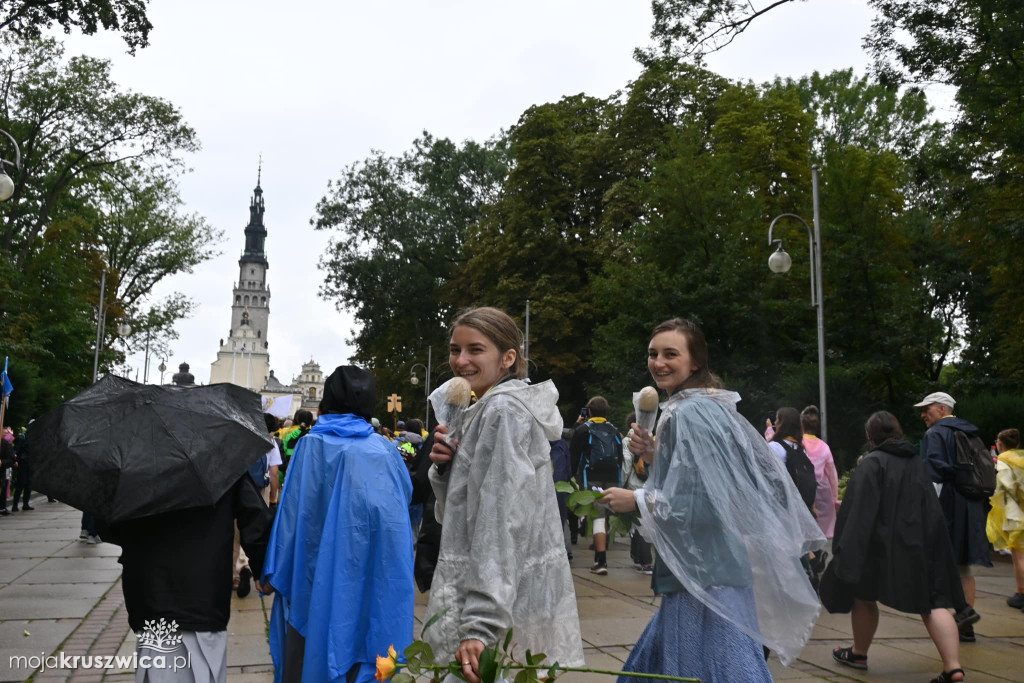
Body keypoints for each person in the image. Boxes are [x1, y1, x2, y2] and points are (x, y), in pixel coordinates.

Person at [598, 317, 824, 680]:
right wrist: (657, 455)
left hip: (705, 572)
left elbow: (703, 502)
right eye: (653, 353)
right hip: (712, 566)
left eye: (671, 354)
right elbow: (708, 477)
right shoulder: (706, 406)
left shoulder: (686, 412)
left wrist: (638, 499)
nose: (658, 362)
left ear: (696, 361)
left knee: (722, 670)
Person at [427, 307, 583, 683]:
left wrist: (481, 625)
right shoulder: (482, 409)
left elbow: (502, 520)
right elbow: (459, 514)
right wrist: (445, 468)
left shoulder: (502, 411)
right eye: (454, 349)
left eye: (475, 349)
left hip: (496, 609)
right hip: (500, 598)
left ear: (508, 358)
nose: (460, 361)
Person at [261, 365, 415, 683]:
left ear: (325, 402)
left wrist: (274, 567)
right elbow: (406, 499)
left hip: (316, 577)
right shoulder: (388, 450)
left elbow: (292, 517)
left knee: (311, 651)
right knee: (368, 642)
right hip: (374, 576)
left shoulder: (309, 446)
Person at [825, 411, 967, 683]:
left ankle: (858, 653)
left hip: (878, 546)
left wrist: (846, 550)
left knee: (864, 596)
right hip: (920, 542)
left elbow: (860, 513)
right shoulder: (917, 463)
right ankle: (953, 667)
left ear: (870, 436)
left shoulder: (872, 463)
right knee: (933, 602)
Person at [98, 471, 272, 682]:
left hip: (151, 591)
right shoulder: (219, 455)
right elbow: (254, 515)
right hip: (204, 591)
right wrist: (262, 567)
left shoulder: (129, 463)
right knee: (204, 669)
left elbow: (106, 524)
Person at [917, 391, 992, 642]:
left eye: (927, 409)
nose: (923, 414)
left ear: (941, 409)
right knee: (964, 566)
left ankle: (958, 614)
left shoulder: (936, 433)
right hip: (972, 504)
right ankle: (965, 626)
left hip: (948, 504)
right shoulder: (970, 432)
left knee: (936, 562)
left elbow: (934, 473)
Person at [570, 396, 623, 575]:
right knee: (605, 515)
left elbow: (574, 456)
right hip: (613, 476)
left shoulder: (584, 429)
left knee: (598, 517)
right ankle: (602, 549)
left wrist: (571, 477)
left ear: (589, 411)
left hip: (591, 475)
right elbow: (621, 457)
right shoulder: (615, 431)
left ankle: (601, 561)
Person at [987, 428, 1024, 611]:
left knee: (1019, 556)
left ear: (1000, 444)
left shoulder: (1004, 460)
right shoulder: (1022, 459)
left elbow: (1004, 486)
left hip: (1014, 513)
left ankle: (1021, 592)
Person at [621, 411, 653, 575]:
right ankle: (642, 560)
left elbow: (626, 463)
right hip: (649, 486)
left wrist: (622, 484)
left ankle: (643, 561)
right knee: (645, 522)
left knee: (636, 524)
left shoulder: (628, 440)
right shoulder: (652, 438)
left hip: (633, 485)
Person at [11, 426, 34, 511]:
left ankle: (25, 504)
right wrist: (15, 460)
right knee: (20, 484)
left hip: (30, 464)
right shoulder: (22, 437)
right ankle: (15, 505)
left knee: (28, 485)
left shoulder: (35, 438)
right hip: (22, 464)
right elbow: (15, 450)